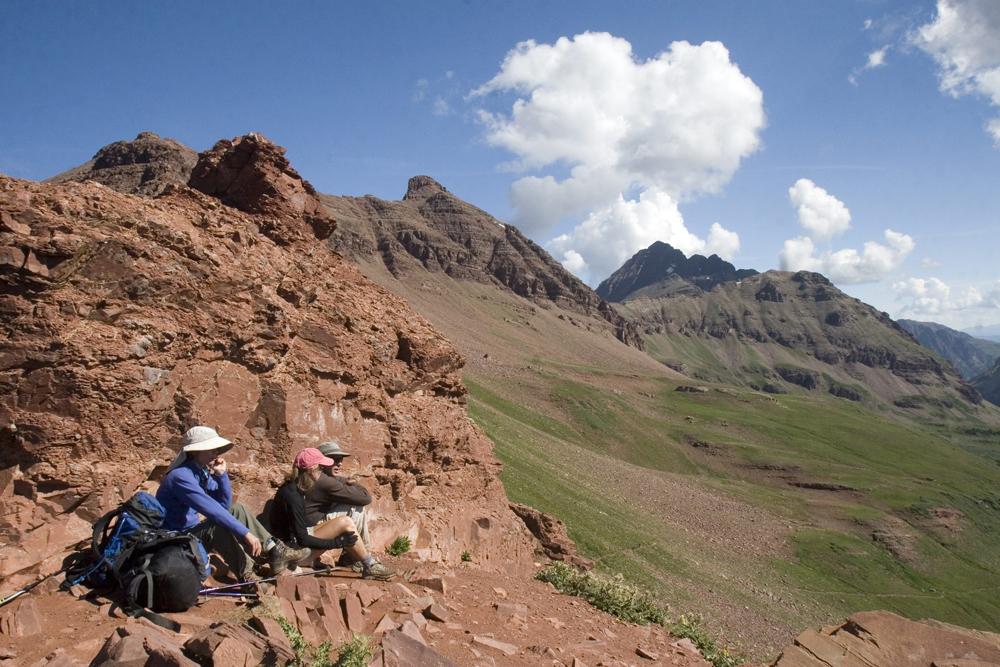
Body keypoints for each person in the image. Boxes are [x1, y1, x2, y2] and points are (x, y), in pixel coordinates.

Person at [156, 425, 310, 582]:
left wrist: (221, 475)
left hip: (191, 534)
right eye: (211, 449)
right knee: (215, 527)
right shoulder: (180, 477)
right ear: (195, 451)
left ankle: (274, 549)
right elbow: (212, 510)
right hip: (177, 540)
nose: (216, 452)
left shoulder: (198, 472)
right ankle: (248, 576)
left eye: (216, 448)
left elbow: (225, 505)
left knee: (236, 509)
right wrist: (245, 533)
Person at [271, 448, 394, 581]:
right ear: (312, 469)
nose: (322, 471)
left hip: (293, 546)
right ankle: (369, 565)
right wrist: (337, 543)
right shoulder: (293, 495)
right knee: (345, 523)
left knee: (344, 522)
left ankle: (363, 561)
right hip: (292, 554)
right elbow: (303, 539)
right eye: (321, 468)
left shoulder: (293, 487)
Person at [304, 440, 373, 552]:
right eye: (334, 460)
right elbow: (365, 498)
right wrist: (355, 483)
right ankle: (360, 554)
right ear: (323, 462)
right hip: (309, 533)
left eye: (340, 460)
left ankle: (356, 553)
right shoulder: (324, 482)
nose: (339, 463)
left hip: (309, 531)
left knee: (350, 504)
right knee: (355, 508)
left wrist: (346, 480)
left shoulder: (318, 477)